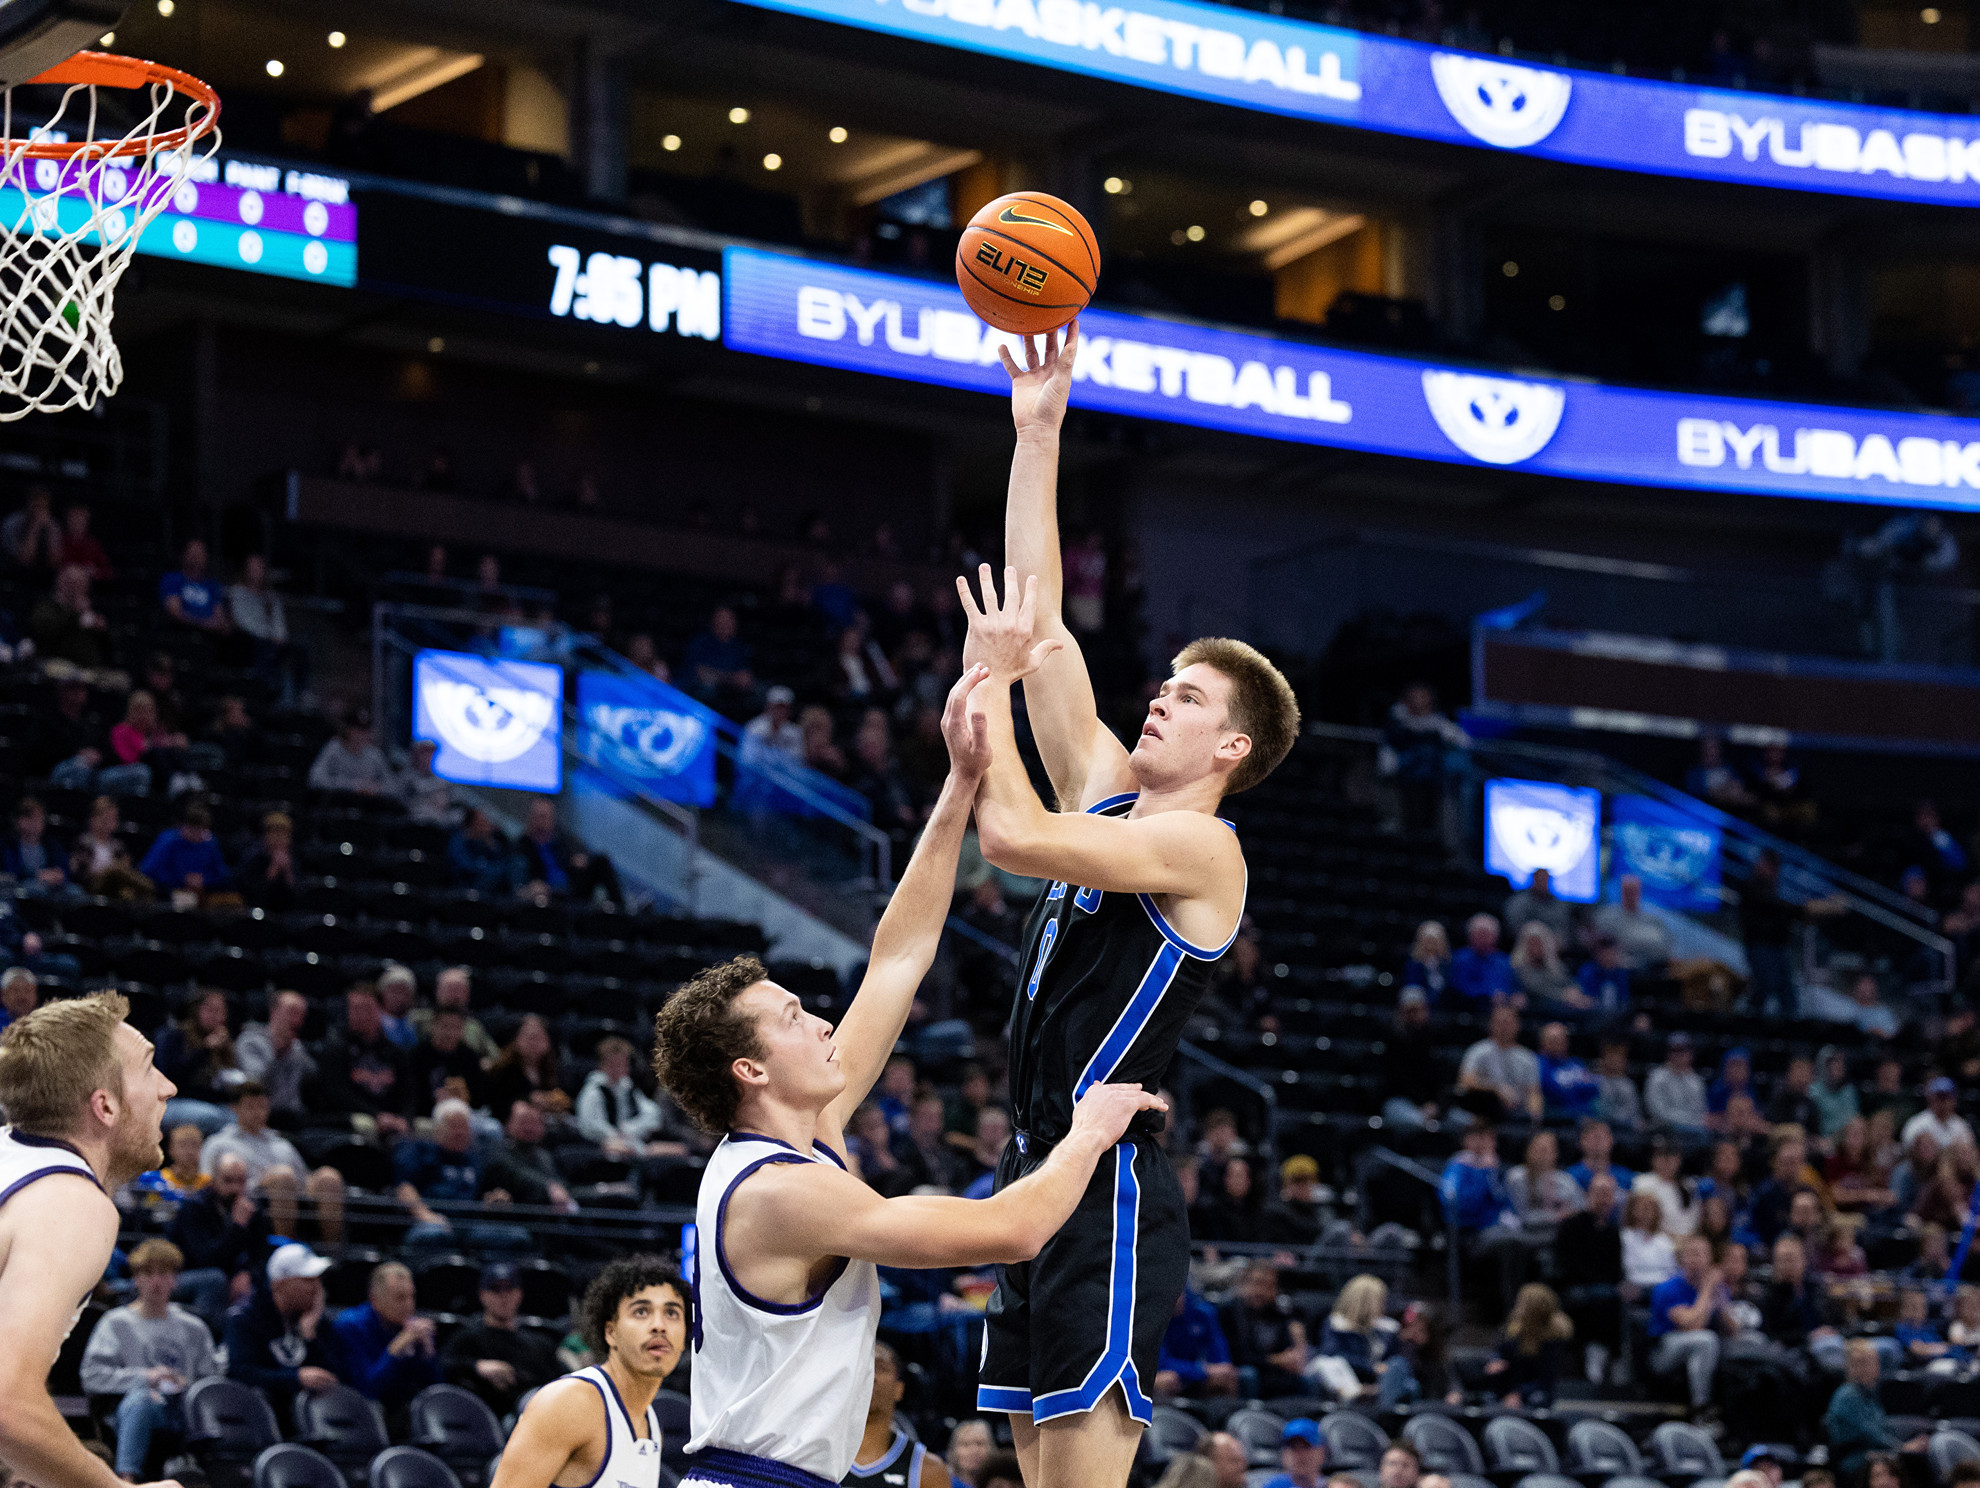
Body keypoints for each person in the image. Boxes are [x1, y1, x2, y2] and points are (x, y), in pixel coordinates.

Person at [655, 664, 1163, 1488]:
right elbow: (1011, 1230)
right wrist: (1089, 1133)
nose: (822, 1021)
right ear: (750, 1069)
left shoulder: (801, 1134)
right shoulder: (783, 1193)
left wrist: (961, 783)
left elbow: (898, 958)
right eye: (791, 1018)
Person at [952, 341, 1302, 1476]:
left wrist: (984, 700)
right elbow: (1045, 625)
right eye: (1165, 681)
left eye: (1189, 696)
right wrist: (1038, 432)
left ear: (1232, 747)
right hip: (1029, 1170)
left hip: (1106, 1188)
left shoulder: (1202, 850)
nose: (1161, 695)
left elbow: (1005, 836)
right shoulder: (1110, 792)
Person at [0, 993, 184, 1488]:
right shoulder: (70, 1201)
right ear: (104, 1106)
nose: (168, 1087)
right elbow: (7, 1404)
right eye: (149, 1069)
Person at [489, 1258, 685, 1488]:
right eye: (641, 1311)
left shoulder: (651, 1421)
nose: (659, 1325)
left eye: (672, 1313)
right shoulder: (569, 1403)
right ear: (610, 1332)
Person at [80, 1238, 219, 1480]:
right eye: (148, 1273)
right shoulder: (116, 1323)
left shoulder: (194, 1327)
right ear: (136, 1278)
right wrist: (145, 1378)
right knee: (142, 1400)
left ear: (175, 1280)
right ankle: (126, 1480)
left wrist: (185, 1384)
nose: (155, 1282)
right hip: (133, 1408)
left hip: (184, 1407)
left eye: (164, 1273)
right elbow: (92, 1376)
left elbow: (212, 1379)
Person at [200, 1082, 346, 1244]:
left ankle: (333, 1251)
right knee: (282, 1177)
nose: (257, 1113)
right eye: (251, 1107)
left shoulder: (281, 1144)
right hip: (247, 1198)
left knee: (328, 1177)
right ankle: (285, 1248)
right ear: (235, 1108)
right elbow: (206, 1183)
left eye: (262, 1106)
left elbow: (303, 1180)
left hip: (291, 1195)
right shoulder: (218, 1143)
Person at [442, 1262, 562, 1417]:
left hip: (537, 1414)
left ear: (519, 1294)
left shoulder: (539, 1343)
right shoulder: (468, 1338)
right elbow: (445, 1366)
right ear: (482, 1294)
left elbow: (561, 1380)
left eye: (509, 1289)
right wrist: (478, 1366)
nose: (503, 1296)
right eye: (495, 1289)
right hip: (487, 1419)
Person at [332, 1262, 442, 1416]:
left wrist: (427, 1354)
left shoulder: (410, 1327)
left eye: (412, 1296)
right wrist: (396, 1348)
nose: (409, 1305)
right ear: (375, 1301)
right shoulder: (350, 1326)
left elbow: (435, 1389)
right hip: (360, 1413)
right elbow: (367, 1389)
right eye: (400, 1298)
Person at [843, 1340, 953, 1488]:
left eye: (880, 1367)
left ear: (899, 1389)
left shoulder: (927, 1469)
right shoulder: (817, 1458)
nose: (871, 1375)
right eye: (862, 1366)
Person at [1825, 1339, 1928, 1478]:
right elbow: (1870, 1434)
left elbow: (1881, 1429)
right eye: (1863, 1362)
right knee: (1909, 1462)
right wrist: (1902, 1448)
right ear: (1851, 1366)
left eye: (1873, 1360)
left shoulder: (1869, 1393)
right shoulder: (1848, 1395)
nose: (1872, 1366)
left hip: (1875, 1451)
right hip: (1855, 1457)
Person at [1647, 1235, 1727, 1410]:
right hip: (1664, 1349)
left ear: (1709, 1259)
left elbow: (1732, 1329)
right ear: (1682, 1258)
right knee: (1705, 1340)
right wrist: (1707, 1290)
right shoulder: (1666, 1288)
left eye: (1701, 1254)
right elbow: (1690, 1326)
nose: (1696, 1259)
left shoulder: (1714, 1288)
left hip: (1698, 1343)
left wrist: (1721, 1300)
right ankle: (1701, 1408)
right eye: (1691, 1254)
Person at [1219, 1262, 1309, 1401]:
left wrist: (1292, 1358)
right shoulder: (1229, 1312)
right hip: (1244, 1370)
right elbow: (1236, 1356)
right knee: (1249, 1375)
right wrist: (1274, 1360)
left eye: (1269, 1286)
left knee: (1307, 1378)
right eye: (1257, 1283)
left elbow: (1288, 1351)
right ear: (1244, 1284)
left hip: (1273, 1372)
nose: (1261, 1290)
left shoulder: (1279, 1314)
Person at [1484, 1283, 1572, 1408]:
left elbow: (1546, 1379)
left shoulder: (1554, 1338)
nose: (1519, 1308)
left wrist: (1519, 1393)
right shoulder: (1512, 1331)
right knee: (1488, 1398)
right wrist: (1495, 1360)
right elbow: (1498, 1351)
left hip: (1535, 1391)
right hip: (1509, 1387)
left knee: (1537, 1399)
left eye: (1523, 1304)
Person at [236, 988, 316, 1123]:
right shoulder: (251, 1041)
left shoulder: (296, 1047)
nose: (296, 1020)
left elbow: (313, 1076)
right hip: (261, 1116)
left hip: (293, 1117)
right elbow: (256, 1083)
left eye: (301, 1014)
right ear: (274, 1012)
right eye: (292, 1012)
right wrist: (279, 1053)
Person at [1457, 1002, 1542, 1123]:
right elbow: (1465, 1082)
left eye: (1508, 1022)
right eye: (1499, 1022)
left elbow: (1534, 1092)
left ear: (1517, 1025)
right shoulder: (1478, 1051)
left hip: (1517, 1113)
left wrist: (1535, 1117)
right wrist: (1496, 1090)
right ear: (1491, 1024)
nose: (1503, 1027)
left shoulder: (1528, 1058)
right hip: (1483, 1112)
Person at [1153, 1286, 1236, 1402]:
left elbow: (1218, 1350)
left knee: (1225, 1375)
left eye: (1179, 1293)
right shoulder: (1152, 1320)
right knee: (1167, 1379)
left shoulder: (1202, 1313)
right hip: (1167, 1372)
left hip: (1194, 1371)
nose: (1175, 1298)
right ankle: (1161, 1418)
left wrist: (1220, 1368)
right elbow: (1160, 1362)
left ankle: (1223, 1417)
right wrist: (1202, 1370)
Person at [139, 801, 230, 896]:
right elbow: (149, 870)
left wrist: (205, 880)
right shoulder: (168, 840)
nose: (195, 835)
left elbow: (222, 875)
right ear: (183, 827)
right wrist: (182, 880)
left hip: (202, 895)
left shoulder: (210, 843)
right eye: (192, 830)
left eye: (200, 831)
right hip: (167, 894)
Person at [1592, 875, 1674, 972]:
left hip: (1653, 971)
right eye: (1627, 891)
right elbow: (1601, 947)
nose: (1630, 895)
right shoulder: (1606, 917)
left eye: (1634, 891)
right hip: (1618, 972)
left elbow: (1666, 946)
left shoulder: (1653, 920)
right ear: (1621, 892)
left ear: (1639, 892)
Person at [309, 710, 392, 794]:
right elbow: (315, 779)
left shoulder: (375, 754)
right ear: (347, 730)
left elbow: (393, 786)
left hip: (368, 803)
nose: (361, 734)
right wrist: (351, 785)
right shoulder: (333, 748)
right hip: (339, 800)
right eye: (357, 730)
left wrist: (376, 788)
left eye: (365, 730)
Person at [158, 539, 229, 635]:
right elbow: (174, 611)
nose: (195, 557)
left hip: (209, 637)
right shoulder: (172, 579)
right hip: (181, 632)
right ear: (184, 555)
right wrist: (203, 623)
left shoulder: (213, 585)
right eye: (192, 552)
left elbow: (220, 618)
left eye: (199, 553)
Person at [1645, 1032, 1709, 1136]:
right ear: (1668, 1053)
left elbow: (1699, 1110)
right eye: (1674, 1050)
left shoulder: (1696, 1081)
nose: (1679, 1055)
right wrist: (1688, 1123)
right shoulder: (1657, 1076)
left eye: (1683, 1050)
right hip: (1664, 1128)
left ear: (1690, 1053)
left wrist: (1693, 1124)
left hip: (1693, 1129)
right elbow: (1657, 1111)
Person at [1450, 914, 1516, 1003]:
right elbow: (1460, 987)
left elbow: (1513, 986)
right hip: (1470, 1008)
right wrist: (1489, 995)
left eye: (1487, 934)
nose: (1483, 939)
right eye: (1480, 934)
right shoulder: (1460, 959)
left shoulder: (1504, 961)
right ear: (1470, 936)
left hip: (1500, 1007)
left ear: (1495, 937)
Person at [1504, 868, 1574, 946]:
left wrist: (1550, 939)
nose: (1542, 882)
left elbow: (1564, 928)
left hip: (1553, 947)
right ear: (1533, 880)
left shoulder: (1559, 905)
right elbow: (1514, 927)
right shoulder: (1519, 901)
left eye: (1545, 879)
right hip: (1524, 945)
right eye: (1540, 879)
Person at [1257, 1420, 1326, 1488]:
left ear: (1321, 1452)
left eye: (1306, 1447)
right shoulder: (1273, 1486)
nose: (1300, 1454)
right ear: (1284, 1454)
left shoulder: (1331, 1484)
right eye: (1293, 1447)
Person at [59, 503, 111, 579]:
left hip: (84, 584)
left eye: (81, 517)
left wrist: (95, 572)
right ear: (67, 519)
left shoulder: (93, 544)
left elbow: (108, 571)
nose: (77, 521)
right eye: (74, 517)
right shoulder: (59, 541)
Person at [947, 1422, 995, 1488]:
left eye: (979, 1443)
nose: (974, 1451)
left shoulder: (1002, 1484)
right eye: (965, 1444)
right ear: (954, 1451)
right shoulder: (943, 1483)